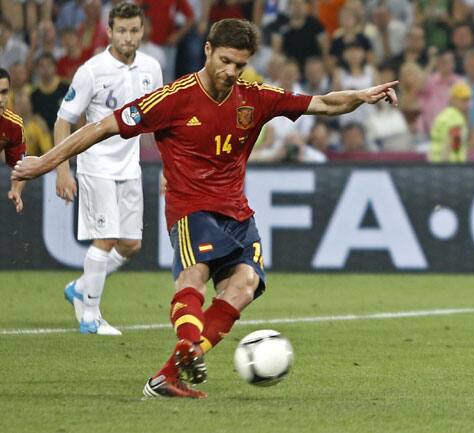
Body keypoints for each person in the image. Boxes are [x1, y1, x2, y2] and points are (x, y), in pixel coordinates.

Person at [12, 18, 399, 399]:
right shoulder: (172, 99)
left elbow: (324, 103)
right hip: (191, 208)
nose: (231, 72)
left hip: (238, 213)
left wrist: (362, 94)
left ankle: (168, 375)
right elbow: (99, 127)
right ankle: (187, 344)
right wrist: (45, 164)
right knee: (195, 274)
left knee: (245, 286)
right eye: (226, 61)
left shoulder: (255, 98)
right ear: (208, 50)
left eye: (240, 65)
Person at [53, 2, 163, 336]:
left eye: (134, 30)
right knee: (106, 238)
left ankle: (81, 286)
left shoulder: (152, 68)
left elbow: (160, 120)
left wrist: (169, 167)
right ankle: (90, 316)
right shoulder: (91, 71)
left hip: (130, 166)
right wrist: (62, 169)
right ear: (109, 32)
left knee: (131, 245)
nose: (128, 37)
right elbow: (63, 121)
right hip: (95, 164)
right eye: (122, 31)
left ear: (142, 31)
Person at [0, 68, 26, 213]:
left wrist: (16, 189)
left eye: (4, 92)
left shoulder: (13, 125)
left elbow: (20, 167)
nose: (0, 99)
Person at [429, 81, 472, 163]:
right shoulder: (456, 118)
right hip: (451, 165)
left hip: (435, 162)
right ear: (453, 99)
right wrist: (446, 168)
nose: (467, 104)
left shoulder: (443, 115)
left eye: (468, 100)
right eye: (463, 100)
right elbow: (452, 143)